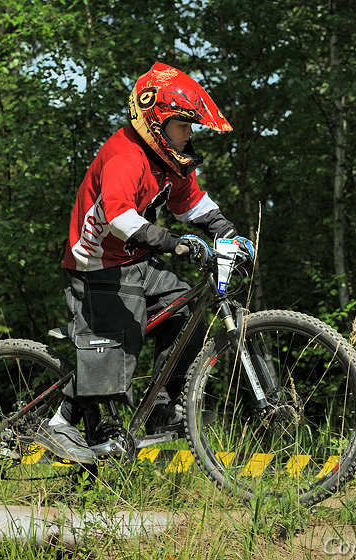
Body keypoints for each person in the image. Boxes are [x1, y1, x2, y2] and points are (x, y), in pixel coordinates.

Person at [34, 62, 238, 464]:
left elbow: (193, 204)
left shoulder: (169, 160)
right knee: (120, 343)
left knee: (183, 310)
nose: (190, 133)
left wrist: (231, 234)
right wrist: (174, 244)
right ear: (157, 125)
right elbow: (120, 217)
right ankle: (57, 423)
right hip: (95, 264)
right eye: (184, 125)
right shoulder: (126, 155)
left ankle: (159, 405)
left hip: (134, 259)